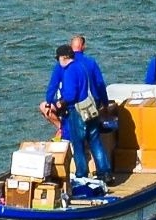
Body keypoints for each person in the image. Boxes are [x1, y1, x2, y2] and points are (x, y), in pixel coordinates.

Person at [42, 35, 111, 186]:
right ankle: (105, 173)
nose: (58, 61)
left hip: (76, 111)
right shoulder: (85, 66)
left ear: (63, 57)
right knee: (95, 141)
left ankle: (81, 174)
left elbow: (69, 94)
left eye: (58, 58)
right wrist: (105, 103)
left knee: (78, 143)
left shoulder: (68, 70)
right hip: (90, 108)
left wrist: (56, 103)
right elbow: (99, 84)